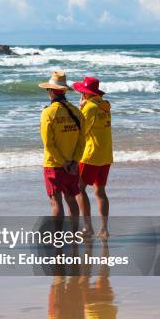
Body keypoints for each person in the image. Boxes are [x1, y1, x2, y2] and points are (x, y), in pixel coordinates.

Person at [39, 71, 85, 220]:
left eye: (48, 90)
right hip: (72, 164)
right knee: (71, 200)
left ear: (52, 91)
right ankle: (73, 238)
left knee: (55, 203)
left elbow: (48, 144)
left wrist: (63, 162)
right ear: (63, 91)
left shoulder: (48, 113)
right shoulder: (77, 112)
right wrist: (74, 161)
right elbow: (82, 140)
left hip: (54, 164)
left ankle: (58, 240)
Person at [72, 76, 113, 238]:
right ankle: (104, 229)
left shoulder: (88, 108)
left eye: (82, 91)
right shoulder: (105, 105)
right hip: (105, 154)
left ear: (85, 93)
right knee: (100, 191)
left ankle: (87, 227)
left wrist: (80, 109)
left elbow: (81, 130)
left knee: (79, 189)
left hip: (90, 155)